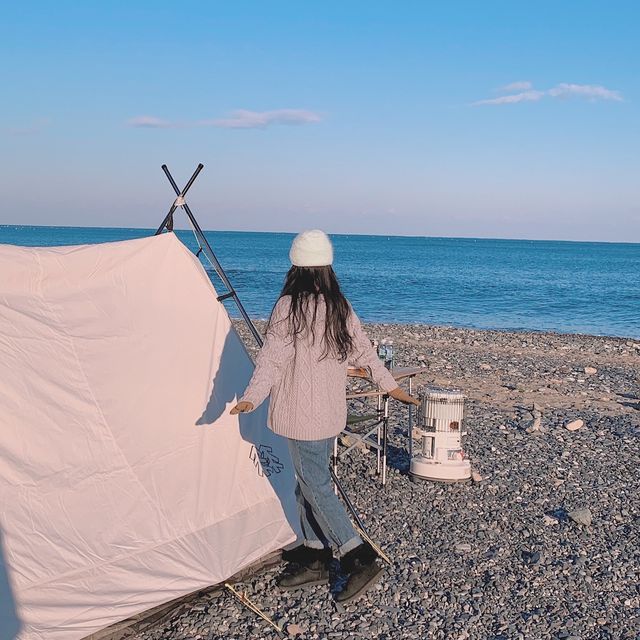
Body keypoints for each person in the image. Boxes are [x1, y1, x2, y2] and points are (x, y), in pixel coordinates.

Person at [230, 229, 418, 605]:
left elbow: (271, 359)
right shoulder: (339, 306)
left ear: (295, 266)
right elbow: (365, 352)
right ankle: (315, 553)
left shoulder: (289, 307)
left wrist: (250, 398)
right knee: (306, 482)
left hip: (301, 417)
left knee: (315, 485)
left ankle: (356, 555)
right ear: (327, 267)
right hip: (327, 415)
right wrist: (389, 387)